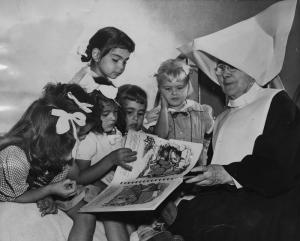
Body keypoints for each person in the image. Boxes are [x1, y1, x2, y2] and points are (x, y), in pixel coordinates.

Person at [169, 1, 299, 240]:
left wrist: (226, 173)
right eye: (219, 67)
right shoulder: (221, 117)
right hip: (224, 207)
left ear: (251, 69)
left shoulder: (276, 102)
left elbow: (281, 166)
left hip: (264, 208)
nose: (223, 74)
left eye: (232, 67)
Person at [0, 94, 97, 241]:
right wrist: (47, 191)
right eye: (81, 134)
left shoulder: (61, 153)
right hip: (15, 196)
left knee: (87, 215)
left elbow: (56, 181)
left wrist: (48, 195)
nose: (83, 139)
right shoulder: (14, 157)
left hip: (40, 190)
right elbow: (14, 196)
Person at [75, 90, 137, 241]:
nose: (113, 118)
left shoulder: (116, 132)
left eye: (115, 112)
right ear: (92, 116)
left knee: (131, 216)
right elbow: (80, 178)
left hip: (112, 184)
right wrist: (111, 160)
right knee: (111, 213)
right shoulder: (89, 139)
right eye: (106, 114)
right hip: (91, 186)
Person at [147, 58, 214, 165]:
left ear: (188, 86)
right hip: (168, 173)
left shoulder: (201, 111)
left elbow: (213, 135)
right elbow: (160, 137)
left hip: (196, 170)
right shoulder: (156, 115)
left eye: (179, 87)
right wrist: (164, 108)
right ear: (160, 89)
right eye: (168, 89)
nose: (174, 92)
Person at [70, 26, 135, 100]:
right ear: (96, 55)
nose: (121, 67)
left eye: (125, 61)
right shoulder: (85, 83)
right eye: (115, 59)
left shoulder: (103, 82)